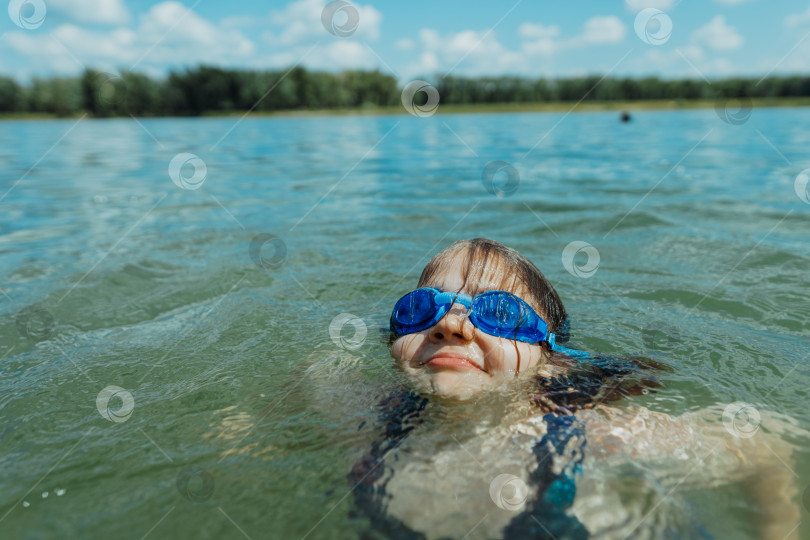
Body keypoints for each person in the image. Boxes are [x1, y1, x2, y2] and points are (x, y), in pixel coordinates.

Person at [347, 238, 800, 540]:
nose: (448, 325)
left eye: (499, 313)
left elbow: (762, 445)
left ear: (550, 361)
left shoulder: (588, 434)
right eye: (422, 308)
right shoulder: (369, 415)